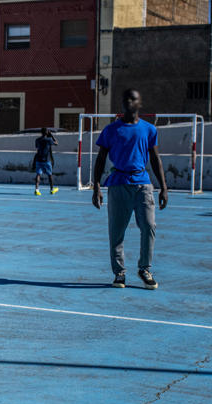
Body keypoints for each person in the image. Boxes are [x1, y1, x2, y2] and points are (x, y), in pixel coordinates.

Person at [92, 88, 168, 289]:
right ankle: (119, 273)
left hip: (142, 185)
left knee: (149, 227)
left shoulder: (149, 129)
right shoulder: (111, 130)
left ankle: (145, 269)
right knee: (116, 232)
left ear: (139, 103)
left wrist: (163, 187)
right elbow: (101, 159)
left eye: (133, 99)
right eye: (126, 99)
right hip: (118, 185)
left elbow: (155, 159)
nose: (129, 102)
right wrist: (96, 186)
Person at [33, 127, 59, 196]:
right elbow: (56, 143)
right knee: (50, 175)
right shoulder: (49, 140)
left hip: (39, 160)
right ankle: (51, 189)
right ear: (47, 132)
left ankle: (36, 189)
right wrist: (52, 135)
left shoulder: (37, 140)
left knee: (38, 174)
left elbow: (37, 148)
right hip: (46, 160)